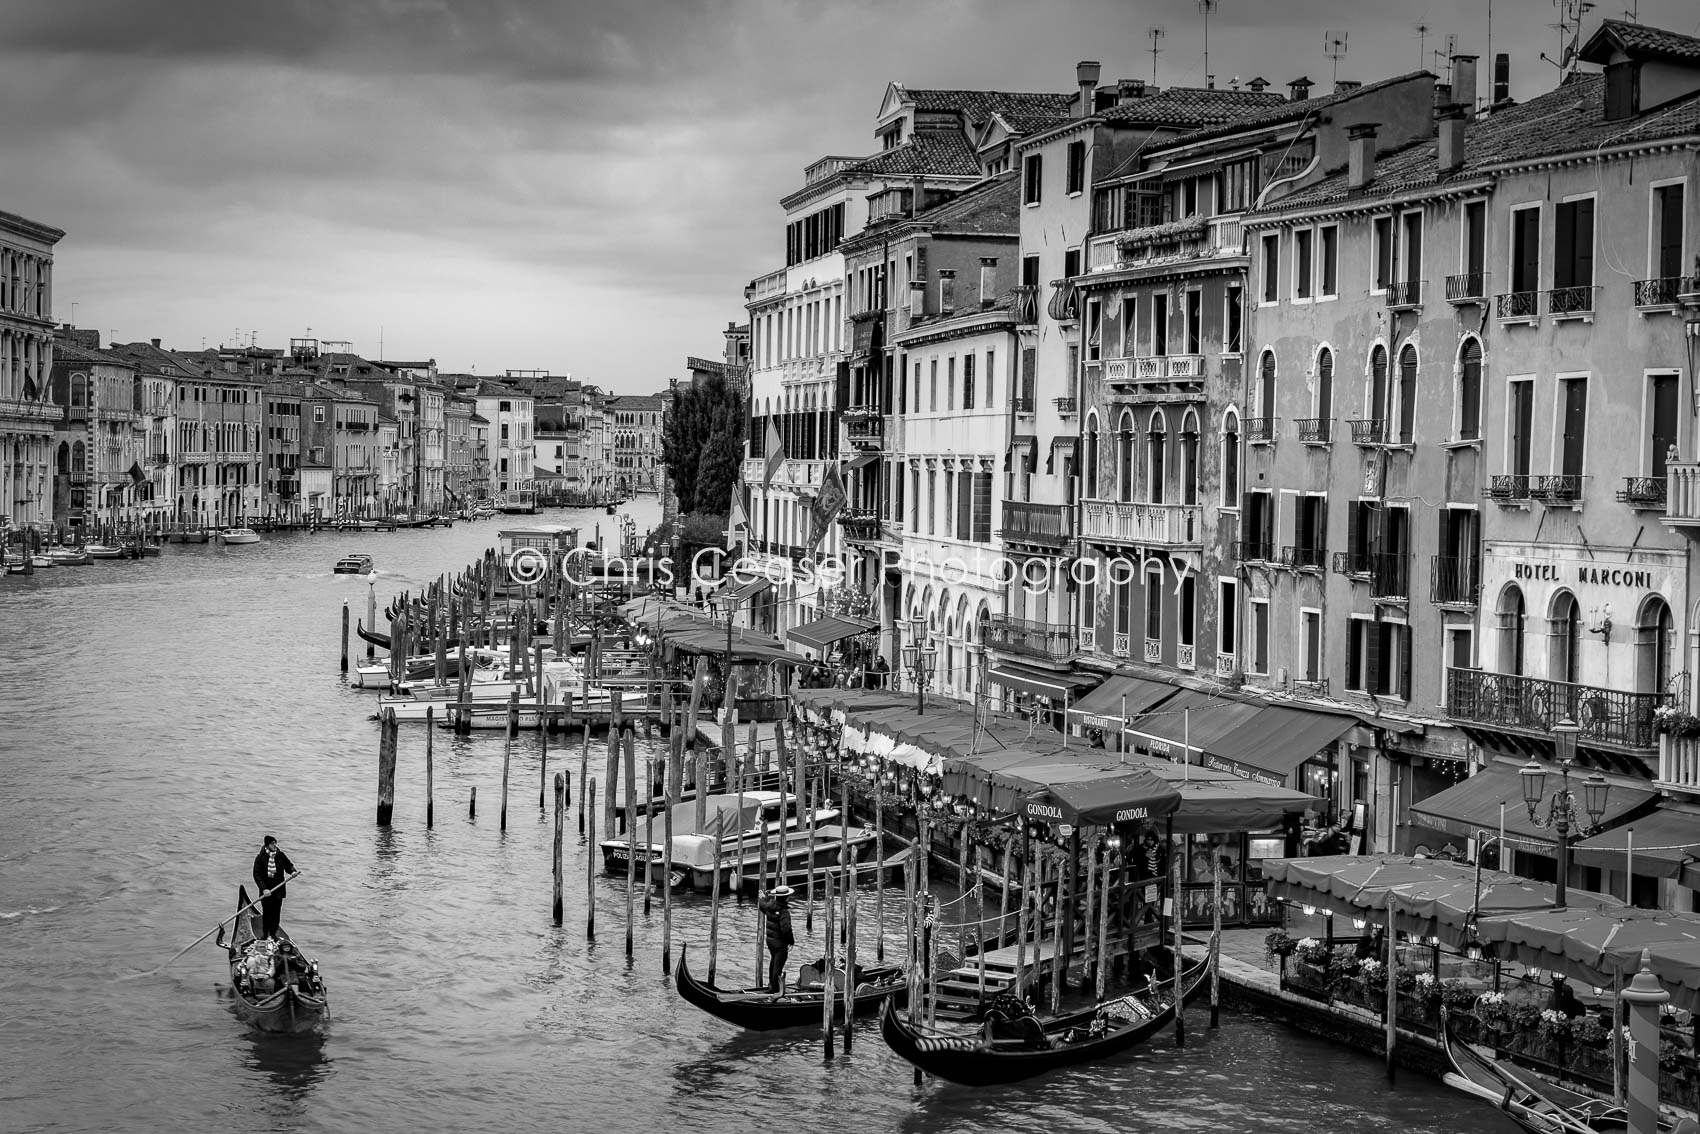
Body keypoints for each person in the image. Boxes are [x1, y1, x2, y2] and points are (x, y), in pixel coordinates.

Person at [251, 835, 297, 940]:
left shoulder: (280, 856)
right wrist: (264, 889)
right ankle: (265, 934)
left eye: (275, 843)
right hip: (267, 892)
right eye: (272, 843)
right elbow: (257, 875)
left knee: (276, 914)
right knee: (267, 914)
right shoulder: (260, 858)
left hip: (278, 891)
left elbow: (288, 865)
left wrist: (293, 871)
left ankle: (273, 934)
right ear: (267, 845)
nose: (275, 845)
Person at [758, 885, 795, 993]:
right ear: (787, 898)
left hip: (770, 942)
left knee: (774, 962)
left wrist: (763, 897)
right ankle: (774, 990)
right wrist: (791, 942)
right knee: (778, 966)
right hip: (780, 944)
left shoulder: (770, 906)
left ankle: (771, 985)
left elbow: (762, 905)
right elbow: (786, 930)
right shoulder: (784, 912)